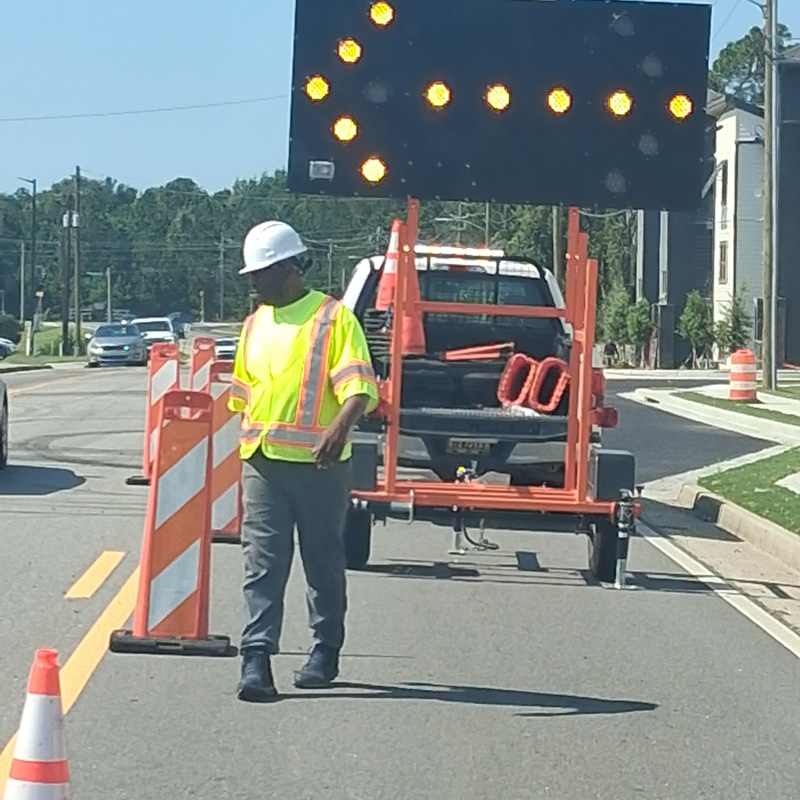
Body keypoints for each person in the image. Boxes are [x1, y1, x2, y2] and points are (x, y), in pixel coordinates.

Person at [228, 220, 379, 702]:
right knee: (262, 563)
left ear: (289, 268)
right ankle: (256, 658)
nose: (252, 281)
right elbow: (243, 395)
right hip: (263, 463)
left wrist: (338, 430)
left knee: (322, 560)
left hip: (320, 466)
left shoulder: (334, 319)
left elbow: (361, 388)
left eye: (260, 272)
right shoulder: (253, 324)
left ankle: (325, 649)